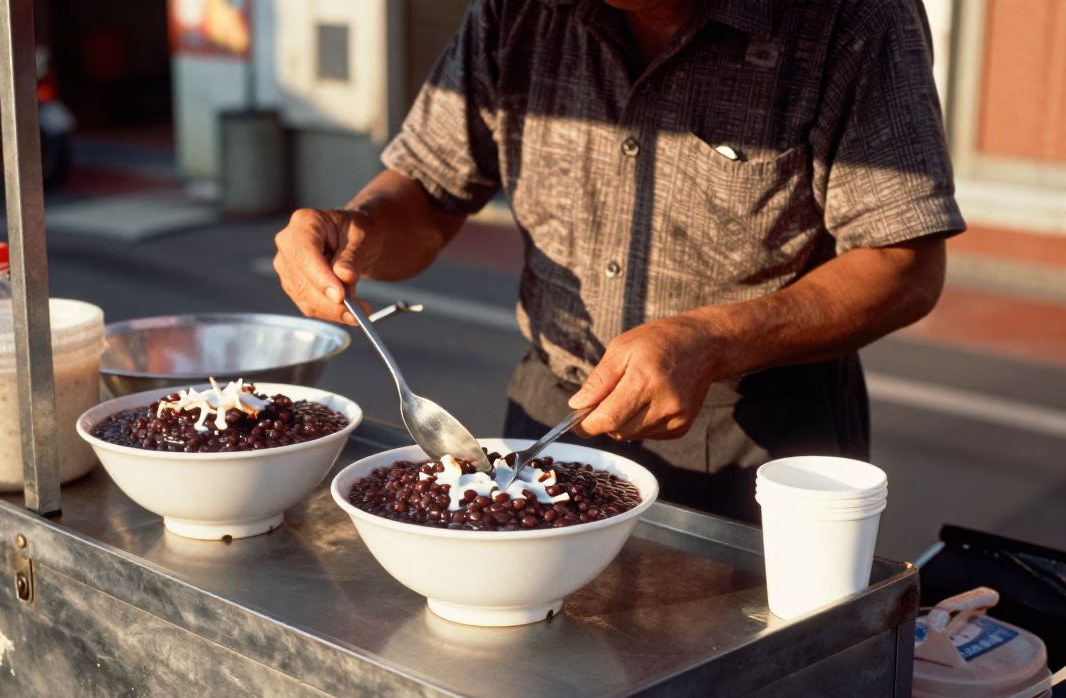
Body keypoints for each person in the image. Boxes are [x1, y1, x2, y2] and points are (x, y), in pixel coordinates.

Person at [272, 0, 965, 523]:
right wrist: (355, 230)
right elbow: (428, 193)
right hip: (550, 416)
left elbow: (903, 264)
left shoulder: (850, 17)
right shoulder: (519, 11)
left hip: (759, 437)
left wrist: (715, 341)